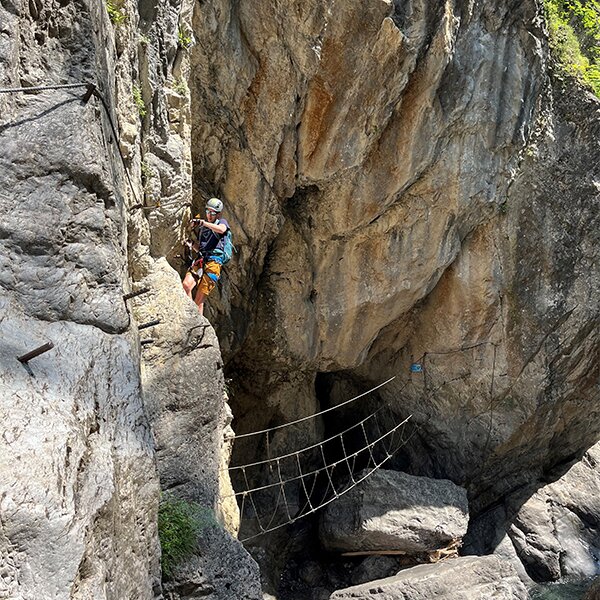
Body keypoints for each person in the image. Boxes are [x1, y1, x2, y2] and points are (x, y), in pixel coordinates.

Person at [182, 197, 230, 316]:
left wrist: (203, 223)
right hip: (201, 260)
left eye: (212, 213)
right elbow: (202, 248)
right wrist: (192, 244)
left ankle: (195, 324)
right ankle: (191, 315)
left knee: (199, 300)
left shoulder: (222, 222)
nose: (209, 215)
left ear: (218, 214)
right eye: (208, 212)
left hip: (214, 263)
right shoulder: (204, 229)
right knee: (186, 285)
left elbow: (222, 230)